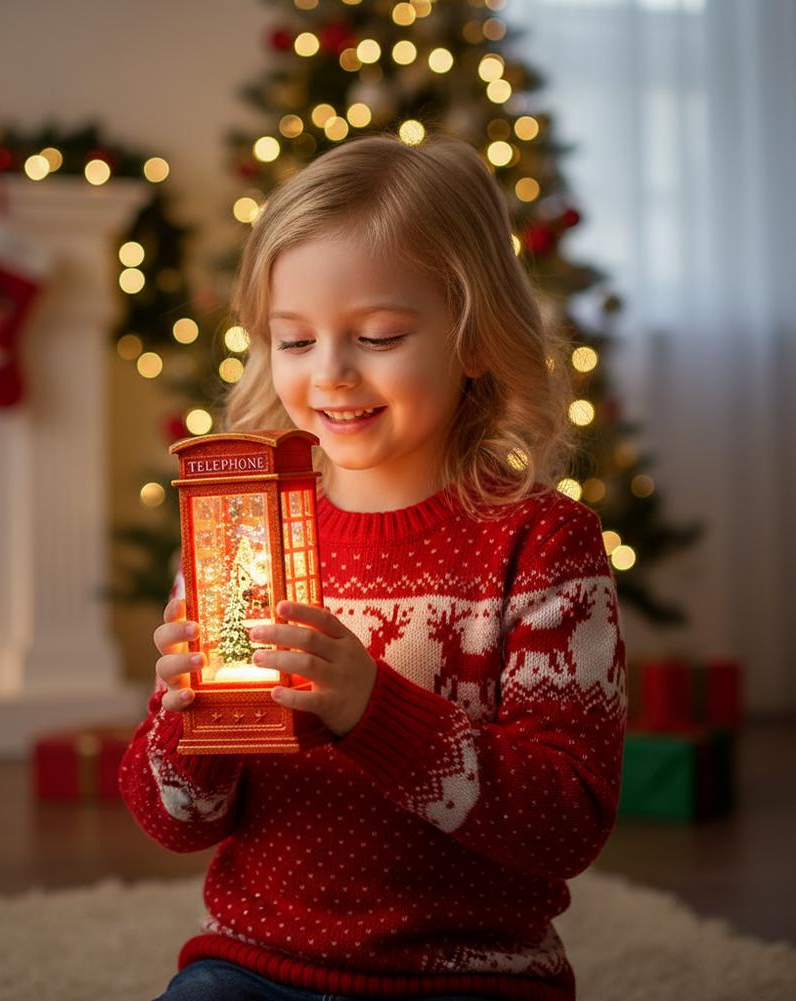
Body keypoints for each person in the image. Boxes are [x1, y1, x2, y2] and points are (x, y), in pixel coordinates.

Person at [120, 132, 627, 1001]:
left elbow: (564, 824)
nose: (330, 374)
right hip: (255, 963)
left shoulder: (541, 544)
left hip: (468, 975)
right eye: (293, 340)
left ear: (473, 340)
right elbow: (174, 823)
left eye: (379, 335)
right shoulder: (241, 534)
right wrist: (188, 726)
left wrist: (372, 710)